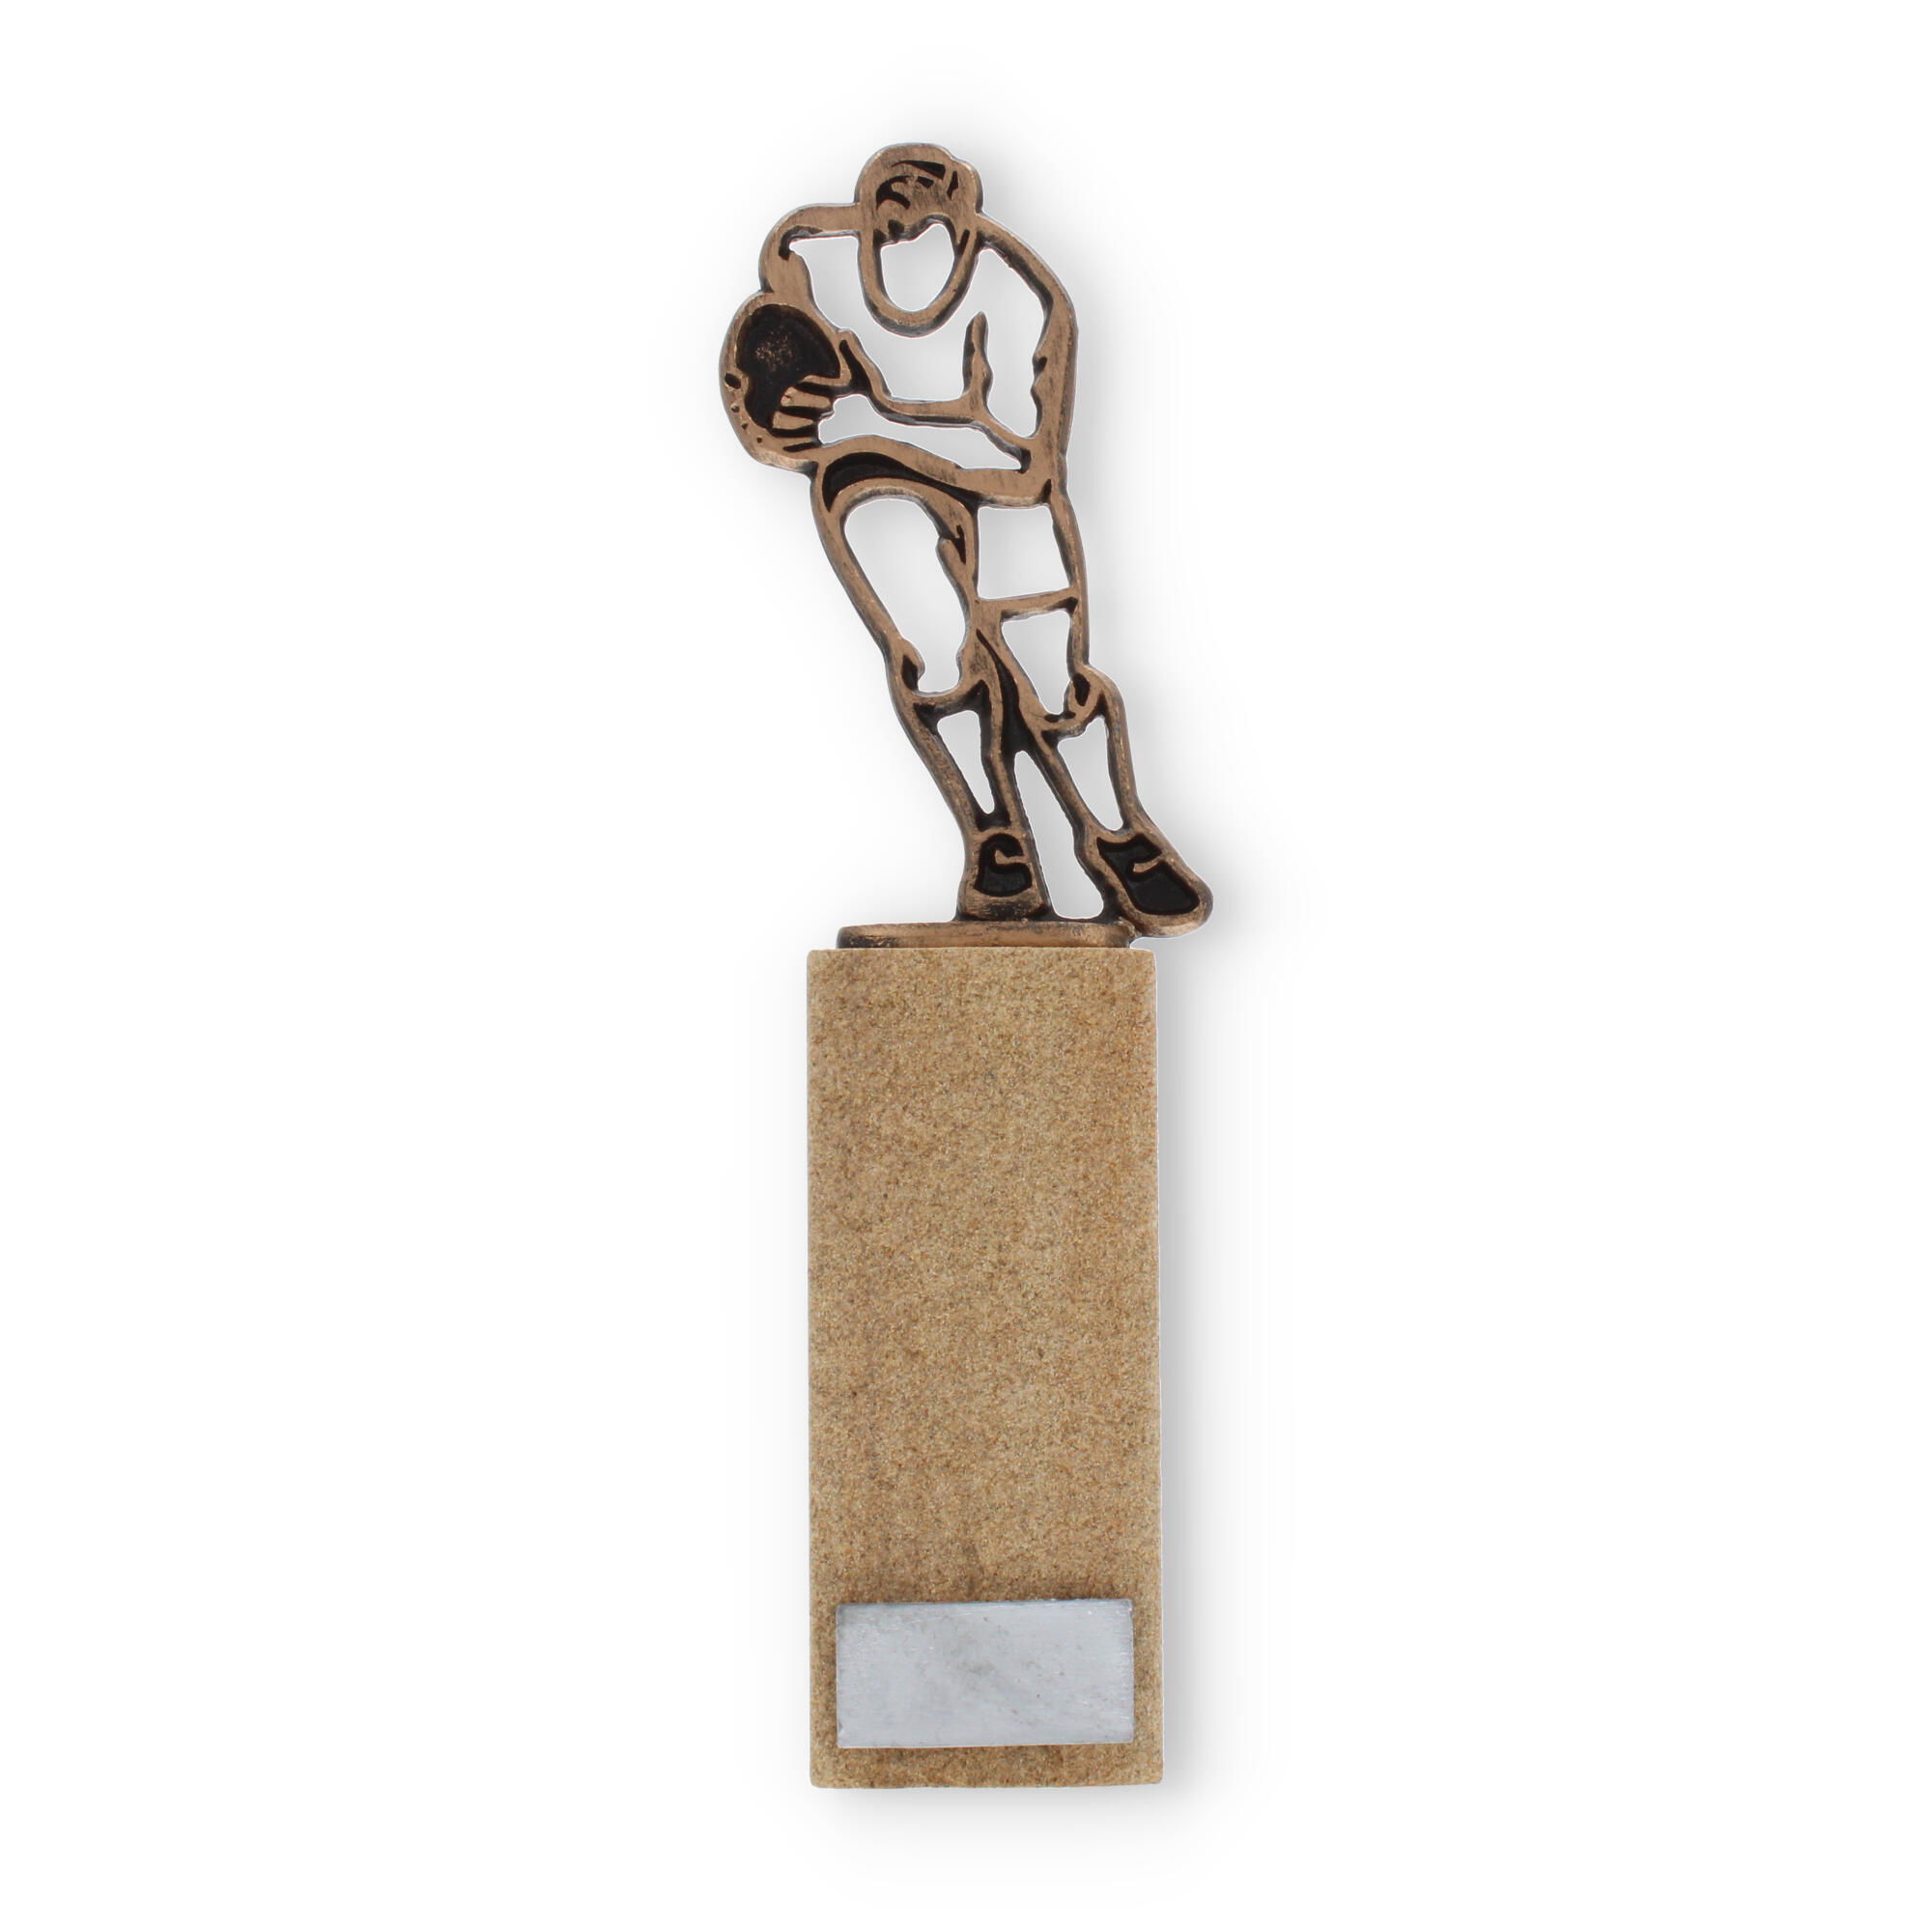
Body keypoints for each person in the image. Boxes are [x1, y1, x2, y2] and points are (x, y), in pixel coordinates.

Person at [722, 144, 1209, 934]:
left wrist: (865, 422)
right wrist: (767, 392)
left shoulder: (1018, 297)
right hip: (880, 479)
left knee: (1050, 685)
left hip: (1000, 489)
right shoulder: (808, 255)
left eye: (928, 201)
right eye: (890, 205)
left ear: (962, 217)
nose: (905, 215)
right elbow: (776, 327)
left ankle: (1118, 837)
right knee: (936, 659)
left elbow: (1023, 467)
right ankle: (995, 837)